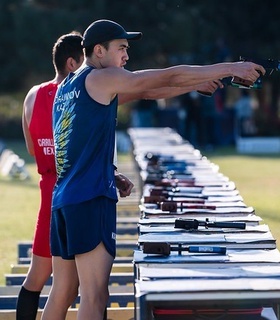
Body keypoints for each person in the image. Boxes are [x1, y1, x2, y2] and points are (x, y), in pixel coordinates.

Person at [41, 19, 265, 320]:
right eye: (121, 48)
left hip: (64, 201)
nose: (126, 56)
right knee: (95, 296)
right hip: (88, 200)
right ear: (98, 50)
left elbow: (145, 93)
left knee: (63, 291)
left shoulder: (69, 85)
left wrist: (195, 84)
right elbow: (166, 75)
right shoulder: (100, 78)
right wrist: (230, 68)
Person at [17, 31, 85, 320]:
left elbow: (32, 149)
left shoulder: (33, 95)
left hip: (48, 194)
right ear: (72, 64)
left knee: (37, 277)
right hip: (75, 195)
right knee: (81, 285)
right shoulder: (82, 94)